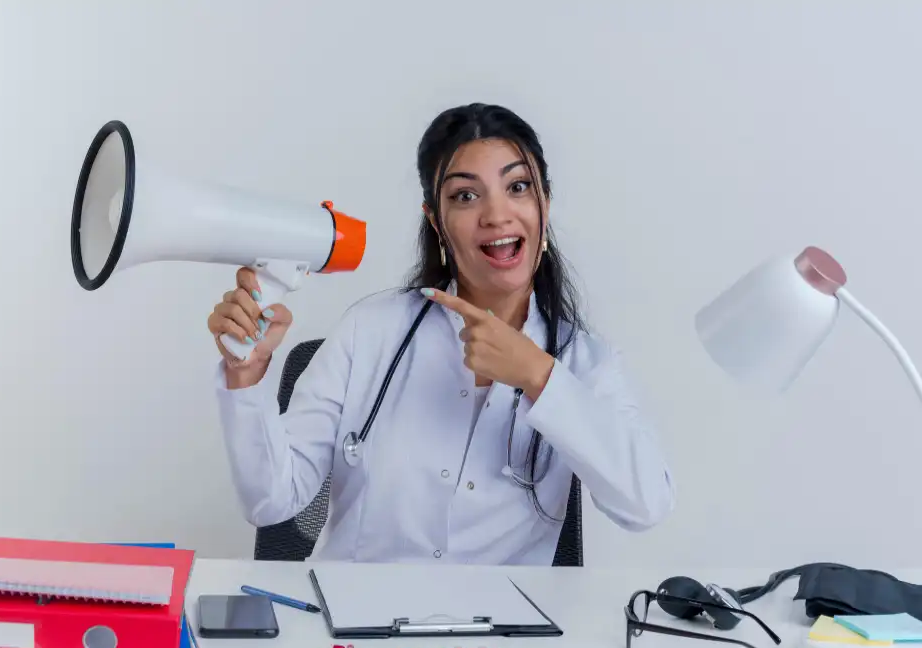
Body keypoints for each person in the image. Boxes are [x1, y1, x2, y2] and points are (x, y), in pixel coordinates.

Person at [207, 102, 675, 565]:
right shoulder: (370, 331)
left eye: (517, 187)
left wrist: (539, 375)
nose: (496, 215)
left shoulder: (584, 361)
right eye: (465, 196)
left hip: (501, 636)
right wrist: (246, 376)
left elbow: (646, 505)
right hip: (360, 623)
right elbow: (272, 502)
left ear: (544, 207)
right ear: (436, 221)